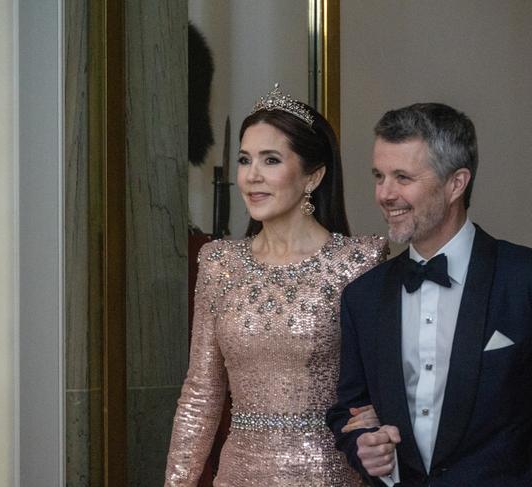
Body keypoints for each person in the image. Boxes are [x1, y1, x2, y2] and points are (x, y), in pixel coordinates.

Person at [326, 103, 532, 486]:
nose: (384, 193)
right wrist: (363, 444)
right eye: (379, 176)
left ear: (456, 183)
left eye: (403, 177)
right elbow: (350, 409)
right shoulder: (362, 297)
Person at [164, 84, 388, 486]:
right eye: (245, 160)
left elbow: (384, 382)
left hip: (328, 474)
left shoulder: (359, 262)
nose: (252, 176)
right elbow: (201, 393)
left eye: (270, 160)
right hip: (238, 475)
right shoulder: (219, 263)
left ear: (313, 176)